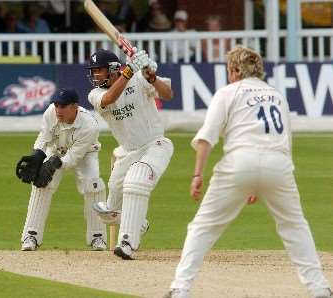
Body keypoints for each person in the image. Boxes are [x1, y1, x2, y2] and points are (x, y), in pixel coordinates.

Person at [164, 46, 332, 298]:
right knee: (295, 226)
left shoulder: (228, 92)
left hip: (239, 162)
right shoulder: (277, 95)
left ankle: (180, 289)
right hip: (279, 165)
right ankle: (319, 289)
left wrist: (197, 174)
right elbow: (286, 142)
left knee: (203, 227)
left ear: (233, 70)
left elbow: (206, 139)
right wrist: (260, 183)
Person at [87, 48, 174, 260]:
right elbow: (109, 98)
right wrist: (128, 72)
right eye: (93, 71)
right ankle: (138, 223)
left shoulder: (138, 79)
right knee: (109, 213)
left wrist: (151, 77)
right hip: (127, 153)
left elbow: (168, 95)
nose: (95, 75)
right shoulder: (95, 95)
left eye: (99, 70)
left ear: (113, 69)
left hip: (156, 144)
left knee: (135, 182)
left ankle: (127, 243)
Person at [16, 88, 107, 251]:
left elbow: (74, 157)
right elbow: (44, 137)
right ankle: (31, 236)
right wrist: (37, 154)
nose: (58, 110)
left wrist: (54, 164)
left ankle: (97, 237)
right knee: (41, 185)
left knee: (93, 186)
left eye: (63, 106)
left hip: (85, 153)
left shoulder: (89, 125)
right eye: (57, 105)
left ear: (75, 107)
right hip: (55, 149)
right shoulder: (51, 113)